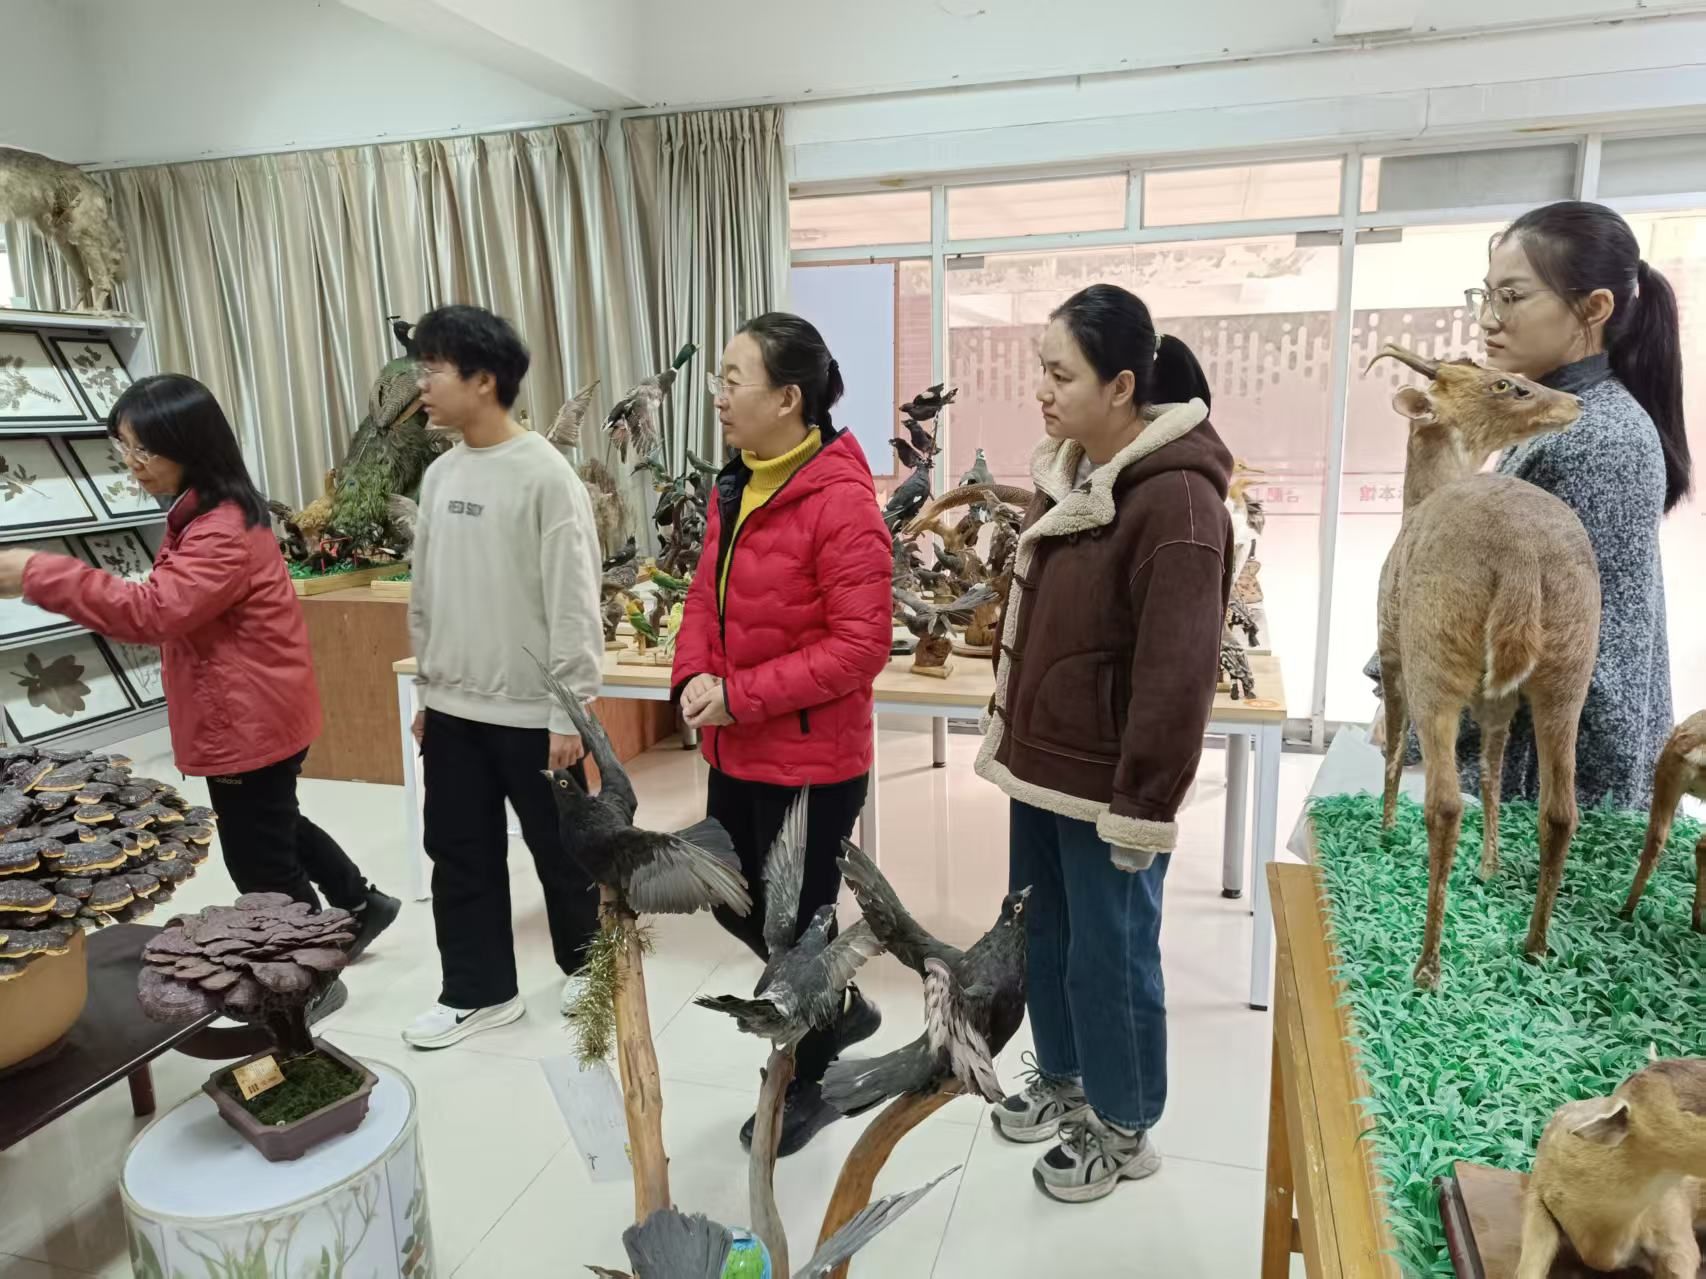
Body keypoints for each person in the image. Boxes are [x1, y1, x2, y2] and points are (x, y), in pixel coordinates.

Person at [976, 284, 1232, 1204]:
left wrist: (1144, 804)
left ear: (1122, 386)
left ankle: (1125, 1127)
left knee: (1112, 955)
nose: (1042, 391)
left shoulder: (1180, 505)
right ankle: (1067, 1079)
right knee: (1046, 936)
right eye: (1041, 370)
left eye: (1061, 374)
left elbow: (1177, 676)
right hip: (1045, 769)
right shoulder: (1074, 477)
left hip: (1111, 788)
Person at [0, 374, 399, 964]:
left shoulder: (219, 529)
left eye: (144, 449)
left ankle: (304, 972)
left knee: (260, 864)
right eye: (124, 447)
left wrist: (40, 573)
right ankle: (361, 904)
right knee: (275, 821)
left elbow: (151, 612)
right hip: (260, 707)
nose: (132, 463)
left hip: (246, 718)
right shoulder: (213, 508)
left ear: (188, 445)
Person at [1367, 200, 1691, 809]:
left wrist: (1415, 702)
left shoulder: (1595, 438)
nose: (1489, 320)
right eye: (1485, 296)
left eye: (1512, 297)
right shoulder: (1551, 421)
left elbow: (1541, 635)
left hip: (1548, 781)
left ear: (1594, 308)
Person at [672, 312, 892, 1156]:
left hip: (811, 764)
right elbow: (705, 597)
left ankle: (805, 1086)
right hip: (739, 749)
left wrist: (740, 696)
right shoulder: (739, 483)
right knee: (732, 900)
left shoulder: (842, 502)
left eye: (734, 380)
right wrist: (694, 675)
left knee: (794, 935)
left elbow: (859, 647)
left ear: (789, 398)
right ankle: (841, 1009)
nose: (719, 396)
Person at [401, 304, 604, 1050]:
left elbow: (574, 600)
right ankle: (478, 990)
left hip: (531, 712)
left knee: (563, 851)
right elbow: (427, 594)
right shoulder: (441, 474)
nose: (421, 385)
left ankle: (590, 966)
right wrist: (430, 692)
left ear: (484, 380)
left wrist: (568, 712)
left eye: (433, 370)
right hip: (455, 707)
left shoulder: (545, 476)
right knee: (457, 852)